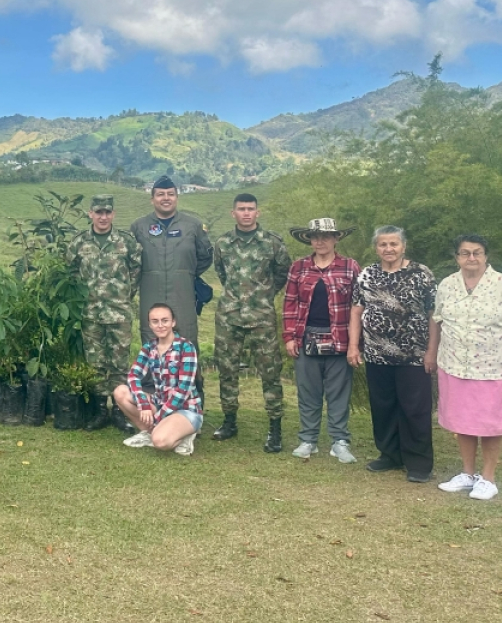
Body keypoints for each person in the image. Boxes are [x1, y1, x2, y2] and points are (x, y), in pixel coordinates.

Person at [431, 234, 502, 501]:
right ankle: (467, 473)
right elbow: (438, 320)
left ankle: (488, 478)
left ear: (486, 256)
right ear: (457, 257)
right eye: (464, 253)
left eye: (477, 252)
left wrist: (491, 346)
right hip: (453, 363)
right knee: (462, 421)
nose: (471, 258)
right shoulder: (447, 284)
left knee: (491, 423)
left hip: (491, 367)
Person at [349, 226, 438, 482]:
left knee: (415, 409)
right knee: (383, 406)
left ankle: (419, 463)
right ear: (376, 248)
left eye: (393, 244)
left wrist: (432, 350)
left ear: (404, 246)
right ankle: (390, 455)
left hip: (414, 355)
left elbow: (434, 314)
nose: (388, 249)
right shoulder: (367, 274)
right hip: (377, 353)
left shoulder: (421, 274)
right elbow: (356, 310)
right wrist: (353, 346)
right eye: (383, 245)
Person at [209, 193, 292, 452]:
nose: (246, 213)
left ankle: (275, 428)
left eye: (251, 209)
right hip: (229, 316)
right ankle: (229, 421)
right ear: (233, 213)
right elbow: (222, 273)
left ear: (258, 212)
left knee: (270, 372)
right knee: (227, 370)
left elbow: (282, 273)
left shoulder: (272, 243)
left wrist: (263, 296)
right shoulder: (222, 243)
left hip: (261, 316)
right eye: (241, 209)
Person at [283, 218, 361, 463]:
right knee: (309, 392)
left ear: (336, 238)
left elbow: (358, 306)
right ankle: (308, 439)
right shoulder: (299, 267)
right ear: (309, 239)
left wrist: (355, 344)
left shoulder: (350, 267)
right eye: (315, 236)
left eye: (326, 236)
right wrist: (289, 337)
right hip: (306, 337)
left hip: (340, 339)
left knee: (339, 393)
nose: (320, 241)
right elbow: (290, 303)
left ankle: (340, 441)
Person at [66, 194, 141, 432]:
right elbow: (70, 271)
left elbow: (137, 269)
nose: (103, 217)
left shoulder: (126, 242)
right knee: (96, 362)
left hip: (119, 313)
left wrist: (125, 294)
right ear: (90, 214)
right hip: (90, 313)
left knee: (119, 363)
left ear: (113, 214)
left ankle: (120, 411)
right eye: (98, 212)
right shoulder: (79, 243)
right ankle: (99, 410)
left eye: (107, 212)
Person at [130, 176, 213, 355]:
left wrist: (185, 273)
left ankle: (191, 383)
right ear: (152, 199)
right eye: (160, 194)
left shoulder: (193, 225)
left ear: (177, 197)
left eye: (170, 194)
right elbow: (130, 261)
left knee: (187, 339)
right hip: (151, 293)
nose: (165, 198)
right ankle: (152, 382)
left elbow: (205, 256)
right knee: (152, 341)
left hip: (183, 294)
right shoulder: (139, 227)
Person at [113, 303, 201, 456]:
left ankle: (184, 435)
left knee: (160, 442)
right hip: (159, 402)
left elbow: (183, 390)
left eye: (165, 320)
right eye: (155, 321)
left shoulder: (186, 348)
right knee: (120, 392)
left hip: (185, 409)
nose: (160, 325)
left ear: (173, 322)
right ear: (150, 324)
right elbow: (133, 376)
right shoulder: (149, 347)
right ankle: (149, 433)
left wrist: (158, 417)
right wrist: (143, 403)